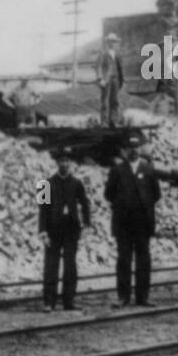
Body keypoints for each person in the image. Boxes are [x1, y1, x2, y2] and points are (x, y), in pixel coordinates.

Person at [104, 131, 161, 308]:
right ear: (125, 150)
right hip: (124, 223)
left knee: (144, 260)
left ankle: (143, 296)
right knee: (124, 260)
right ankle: (123, 297)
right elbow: (109, 194)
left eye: (136, 147)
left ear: (141, 149)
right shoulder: (117, 170)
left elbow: (156, 195)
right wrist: (123, 206)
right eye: (130, 148)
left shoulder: (149, 169)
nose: (133, 151)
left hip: (143, 223)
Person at [38, 147, 90, 312]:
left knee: (70, 267)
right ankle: (49, 302)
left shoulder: (77, 183)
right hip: (53, 231)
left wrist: (86, 224)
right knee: (51, 267)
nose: (65, 164)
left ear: (71, 163)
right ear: (57, 162)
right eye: (62, 161)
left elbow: (85, 204)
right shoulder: (44, 184)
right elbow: (42, 210)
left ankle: (69, 301)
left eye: (67, 161)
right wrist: (43, 231)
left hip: (71, 230)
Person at [96, 33, 125, 128]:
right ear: (107, 42)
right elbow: (99, 67)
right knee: (105, 101)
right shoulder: (103, 53)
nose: (113, 43)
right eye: (111, 41)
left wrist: (121, 81)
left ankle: (113, 121)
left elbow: (120, 68)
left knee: (115, 101)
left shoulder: (117, 54)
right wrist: (100, 79)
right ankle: (104, 122)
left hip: (115, 80)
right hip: (106, 80)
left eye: (114, 42)